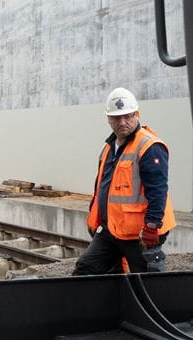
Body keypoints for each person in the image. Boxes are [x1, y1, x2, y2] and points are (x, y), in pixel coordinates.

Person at [73, 87, 176, 275]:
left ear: (137, 115)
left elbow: (158, 190)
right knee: (85, 270)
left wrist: (152, 226)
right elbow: (103, 188)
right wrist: (97, 220)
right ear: (108, 119)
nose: (122, 122)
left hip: (140, 234)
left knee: (145, 282)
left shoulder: (149, 146)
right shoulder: (108, 148)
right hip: (111, 230)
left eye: (128, 116)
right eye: (116, 118)